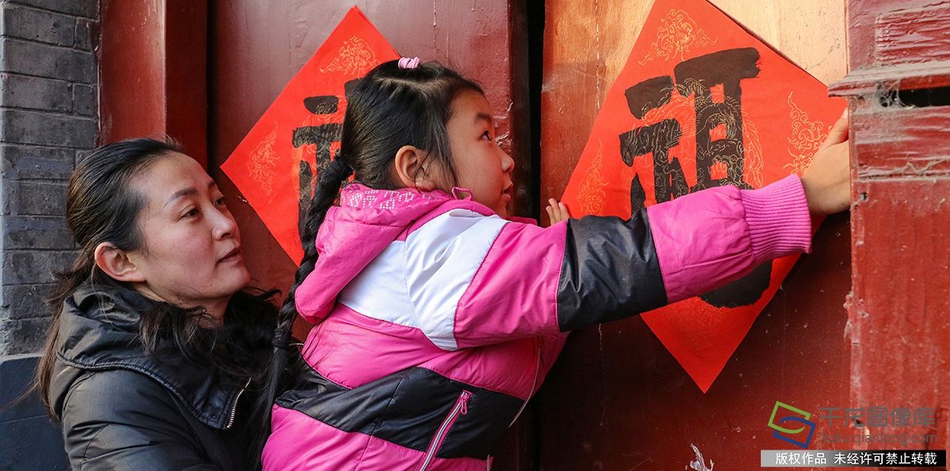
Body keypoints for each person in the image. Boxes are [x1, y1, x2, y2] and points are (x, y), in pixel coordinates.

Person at [260, 59, 850, 470]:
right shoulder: (437, 254)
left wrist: (551, 279)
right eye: (485, 137)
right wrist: (797, 200)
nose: (507, 160)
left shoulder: (406, 251)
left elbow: (492, 366)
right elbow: (625, 259)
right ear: (417, 169)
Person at [36, 138, 277, 471]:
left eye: (219, 201)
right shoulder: (111, 401)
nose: (226, 225)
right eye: (190, 213)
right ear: (121, 262)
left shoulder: (253, 333)